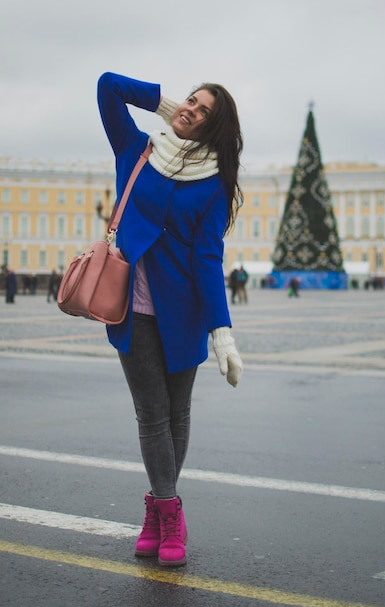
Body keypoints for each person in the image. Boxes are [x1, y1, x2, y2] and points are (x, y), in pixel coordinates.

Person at [97, 72, 243, 567]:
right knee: (151, 415)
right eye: (192, 102)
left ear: (214, 129)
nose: (192, 111)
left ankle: (157, 511)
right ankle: (170, 512)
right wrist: (166, 105)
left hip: (184, 314)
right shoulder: (137, 150)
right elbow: (108, 87)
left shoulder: (213, 185)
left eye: (203, 112)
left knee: (176, 416)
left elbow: (207, 258)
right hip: (130, 308)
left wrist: (223, 335)